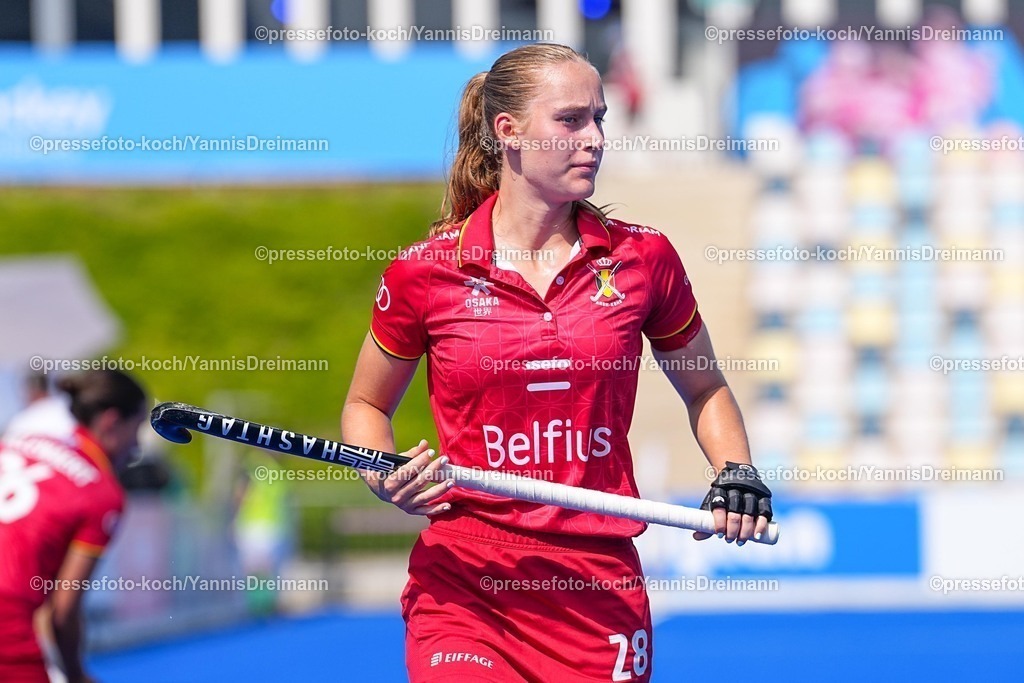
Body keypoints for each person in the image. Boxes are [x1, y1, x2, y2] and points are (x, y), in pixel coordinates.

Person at [342, 43, 773, 683]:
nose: (594, 139)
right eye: (570, 121)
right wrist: (384, 475)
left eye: (599, 118)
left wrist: (735, 469)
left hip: (595, 585)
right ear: (506, 131)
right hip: (468, 580)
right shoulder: (424, 272)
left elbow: (704, 387)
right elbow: (366, 406)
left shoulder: (644, 260)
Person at [0, 369, 147, 683]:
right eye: (137, 428)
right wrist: (77, 675)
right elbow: (63, 611)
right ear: (111, 421)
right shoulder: (101, 493)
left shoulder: (20, 442)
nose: (136, 446)